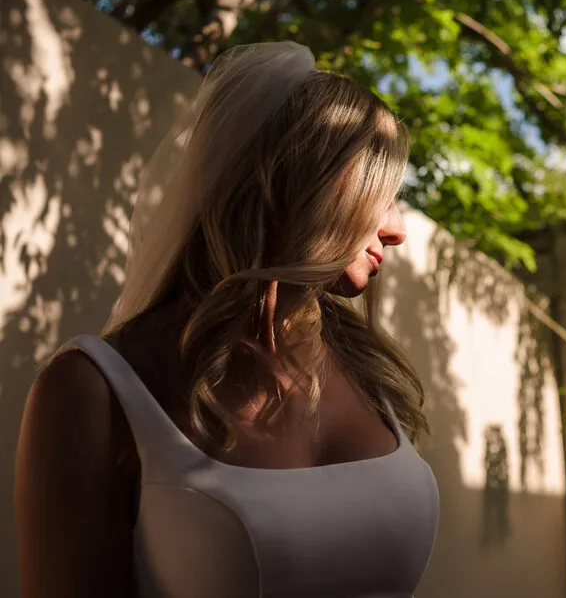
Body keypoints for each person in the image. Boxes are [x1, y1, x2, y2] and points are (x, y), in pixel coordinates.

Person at [14, 42, 439, 598]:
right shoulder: (95, 390)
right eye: (378, 194)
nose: (397, 228)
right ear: (292, 185)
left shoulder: (365, 369)